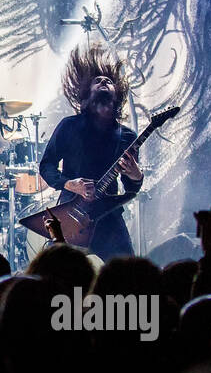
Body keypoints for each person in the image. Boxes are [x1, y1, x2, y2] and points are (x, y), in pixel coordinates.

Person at [37, 44, 143, 261]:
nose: (104, 81)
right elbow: (46, 166)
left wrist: (135, 175)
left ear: (117, 96)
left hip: (108, 216)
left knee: (128, 275)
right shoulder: (69, 126)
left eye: (109, 81)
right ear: (86, 96)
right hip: (71, 211)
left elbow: (131, 187)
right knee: (61, 276)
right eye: (98, 81)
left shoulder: (127, 136)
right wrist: (69, 184)